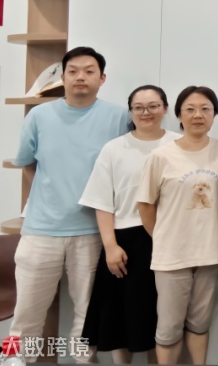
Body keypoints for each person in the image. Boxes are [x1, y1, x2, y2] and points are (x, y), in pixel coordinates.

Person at [9, 47, 131, 362]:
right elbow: (27, 163)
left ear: (102, 78)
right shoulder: (39, 116)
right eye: (73, 71)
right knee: (26, 315)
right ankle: (18, 360)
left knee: (87, 316)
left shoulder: (119, 117)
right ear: (62, 77)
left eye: (89, 71)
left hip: (93, 231)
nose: (80, 77)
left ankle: (82, 361)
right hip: (41, 230)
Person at [79, 85, 179, 363]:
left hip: (168, 239)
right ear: (131, 111)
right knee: (119, 317)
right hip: (125, 242)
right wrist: (110, 246)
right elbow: (102, 201)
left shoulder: (179, 144)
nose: (146, 112)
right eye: (139, 107)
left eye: (153, 106)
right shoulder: (114, 148)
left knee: (161, 318)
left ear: (165, 109)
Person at [137, 86, 218, 366]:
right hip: (172, 255)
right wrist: (164, 237)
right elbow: (145, 205)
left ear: (214, 114)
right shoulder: (161, 156)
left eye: (205, 109)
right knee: (169, 327)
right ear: (179, 114)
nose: (197, 115)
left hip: (210, 252)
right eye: (190, 109)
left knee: (200, 323)